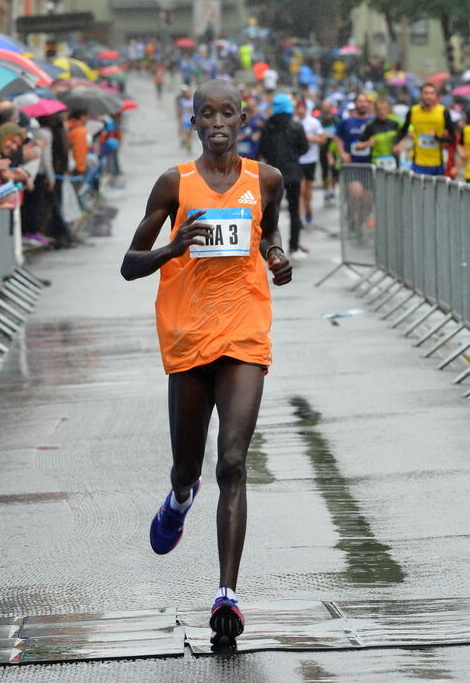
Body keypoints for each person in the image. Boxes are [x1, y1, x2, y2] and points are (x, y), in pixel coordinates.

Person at [121, 81, 292, 647]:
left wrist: (277, 258)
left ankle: (227, 595)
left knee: (234, 463)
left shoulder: (266, 179)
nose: (218, 122)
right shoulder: (175, 183)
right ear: (193, 121)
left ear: (243, 119)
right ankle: (178, 498)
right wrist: (174, 246)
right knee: (188, 467)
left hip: (244, 328)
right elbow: (129, 265)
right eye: (207, 114)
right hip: (188, 334)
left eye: (228, 113)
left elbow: (267, 236)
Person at [258, 93, 309, 259]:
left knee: (272, 212)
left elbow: (263, 148)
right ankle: (294, 246)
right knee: (294, 211)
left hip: (273, 175)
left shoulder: (268, 125)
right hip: (293, 173)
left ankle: (273, 248)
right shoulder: (296, 125)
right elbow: (304, 147)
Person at [393, 83, 455, 175]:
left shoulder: (443, 112)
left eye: (431, 93)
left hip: (437, 163)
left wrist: (437, 138)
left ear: (436, 96)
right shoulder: (413, 111)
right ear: (421, 95)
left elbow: (452, 137)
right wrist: (396, 143)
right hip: (418, 162)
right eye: (426, 93)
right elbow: (403, 130)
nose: (428, 96)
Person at [294, 100, 325, 225]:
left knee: (307, 190)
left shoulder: (313, 122)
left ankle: (308, 206)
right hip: (297, 160)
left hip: (310, 160)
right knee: (299, 190)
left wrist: (311, 139)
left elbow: (323, 139)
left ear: (306, 109)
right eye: (298, 108)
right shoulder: (293, 122)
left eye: (303, 108)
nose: (300, 110)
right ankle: (300, 217)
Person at [334, 92, 372, 163]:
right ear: (355, 103)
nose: (362, 104)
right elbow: (337, 137)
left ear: (368, 104)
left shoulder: (373, 121)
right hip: (350, 163)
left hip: (369, 162)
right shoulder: (346, 121)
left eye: (365, 101)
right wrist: (342, 153)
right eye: (360, 101)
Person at [318, 99, 340, 206]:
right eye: (324, 106)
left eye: (328, 106)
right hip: (323, 149)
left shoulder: (337, 120)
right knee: (325, 171)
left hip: (334, 149)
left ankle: (333, 192)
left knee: (335, 171)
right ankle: (326, 193)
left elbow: (340, 134)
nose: (326, 108)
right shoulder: (319, 120)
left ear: (331, 107)